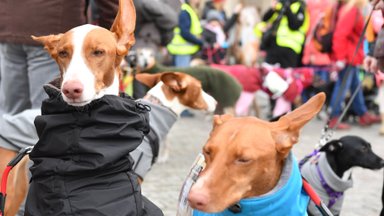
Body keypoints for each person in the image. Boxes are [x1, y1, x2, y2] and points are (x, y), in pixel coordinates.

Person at [0, 1, 119, 215]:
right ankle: (33, 203)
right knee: (48, 127)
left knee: (16, 126)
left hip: (10, 27)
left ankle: (16, 202)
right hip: (56, 28)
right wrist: (111, 35)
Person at [328, 0, 380, 130]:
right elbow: (340, 35)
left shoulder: (351, 9)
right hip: (347, 57)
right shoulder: (351, 10)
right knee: (342, 87)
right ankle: (334, 118)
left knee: (355, 85)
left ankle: (362, 114)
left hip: (352, 56)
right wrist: (340, 58)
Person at [259, 0, 310, 68]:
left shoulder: (300, 7)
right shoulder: (280, 4)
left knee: (285, 76)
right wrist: (273, 9)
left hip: (290, 50)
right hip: (274, 47)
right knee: (267, 73)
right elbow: (265, 19)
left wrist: (287, 8)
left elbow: (294, 25)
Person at [167, 0, 204, 67]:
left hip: (186, 50)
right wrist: (200, 42)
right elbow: (185, 33)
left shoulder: (190, 10)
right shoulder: (186, 11)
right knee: (181, 75)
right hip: (182, 51)